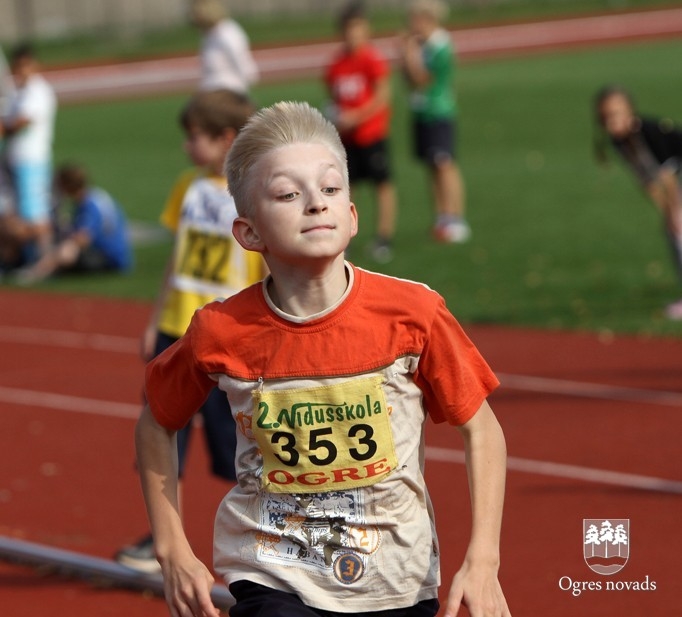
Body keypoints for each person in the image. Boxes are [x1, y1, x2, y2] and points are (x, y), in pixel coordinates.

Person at [135, 101, 511, 617]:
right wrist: (171, 548)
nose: (316, 203)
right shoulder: (219, 331)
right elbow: (157, 422)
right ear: (248, 234)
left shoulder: (414, 313)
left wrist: (483, 559)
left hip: (397, 579)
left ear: (352, 216)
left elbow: (483, 430)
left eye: (331, 189)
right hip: (273, 572)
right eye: (289, 194)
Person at [115, 89, 265, 573]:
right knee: (164, 434)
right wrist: (153, 318)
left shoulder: (252, 189)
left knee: (240, 443)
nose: (186, 147)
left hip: (227, 334)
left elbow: (265, 267)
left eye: (194, 137)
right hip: (175, 328)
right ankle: (165, 537)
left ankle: (264, 532)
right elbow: (178, 258)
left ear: (225, 139)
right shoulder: (189, 185)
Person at [594, 85, 682, 320]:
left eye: (615, 114)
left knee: (679, 230)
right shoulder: (620, 141)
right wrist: (665, 211)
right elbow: (646, 180)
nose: (610, 121)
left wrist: (674, 211)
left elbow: (669, 176)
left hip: (677, 179)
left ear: (629, 111)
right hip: (674, 182)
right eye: (605, 117)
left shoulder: (651, 132)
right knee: (674, 232)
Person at [325, 0, 397, 263]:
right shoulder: (337, 64)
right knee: (345, 188)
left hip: (372, 134)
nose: (352, 35)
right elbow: (333, 97)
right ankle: (345, 239)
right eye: (347, 29)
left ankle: (384, 237)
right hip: (347, 139)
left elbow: (382, 96)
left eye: (357, 29)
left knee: (382, 185)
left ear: (366, 30)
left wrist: (357, 116)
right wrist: (337, 116)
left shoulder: (371, 59)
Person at [399, 0, 470, 244]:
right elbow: (406, 79)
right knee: (431, 164)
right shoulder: (421, 44)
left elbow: (421, 78)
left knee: (444, 163)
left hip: (438, 111)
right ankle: (442, 217)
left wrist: (408, 53)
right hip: (421, 111)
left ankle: (457, 218)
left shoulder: (440, 44)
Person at [11, 163, 132, 284]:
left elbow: (82, 239)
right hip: (114, 255)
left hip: (108, 258)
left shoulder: (89, 205)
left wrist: (55, 254)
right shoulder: (97, 196)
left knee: (68, 249)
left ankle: (37, 272)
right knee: (66, 243)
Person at [0, 43, 57, 268]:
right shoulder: (18, 92)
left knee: (35, 212)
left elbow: (21, 122)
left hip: (32, 160)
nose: (21, 70)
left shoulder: (37, 91)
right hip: (16, 159)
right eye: (18, 66)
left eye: (25, 65)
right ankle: (20, 259)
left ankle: (45, 260)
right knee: (17, 212)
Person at [190, 0, 259, 99]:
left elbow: (240, 59)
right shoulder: (209, 34)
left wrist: (247, 80)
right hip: (212, 88)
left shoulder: (227, 33)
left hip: (229, 88)